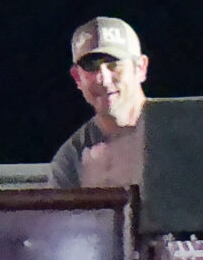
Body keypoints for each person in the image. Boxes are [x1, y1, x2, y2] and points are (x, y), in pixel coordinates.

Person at [49, 17, 147, 190]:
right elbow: (60, 217)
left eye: (114, 64)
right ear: (77, 78)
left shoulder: (178, 132)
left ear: (140, 68)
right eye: (91, 67)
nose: (103, 79)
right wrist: (98, 200)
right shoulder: (71, 159)